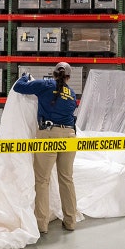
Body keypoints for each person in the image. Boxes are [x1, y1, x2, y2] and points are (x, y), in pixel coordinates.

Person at [14, 62, 78, 234]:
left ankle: (41, 224)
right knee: (67, 178)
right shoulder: (72, 94)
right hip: (70, 136)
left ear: (54, 74)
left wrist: (24, 77)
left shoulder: (45, 85)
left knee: (42, 180)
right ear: (68, 77)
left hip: (48, 134)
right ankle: (71, 220)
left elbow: (19, 88)